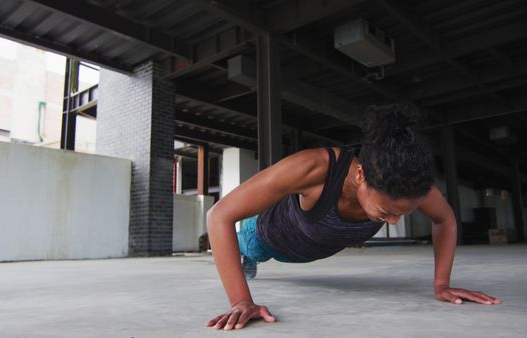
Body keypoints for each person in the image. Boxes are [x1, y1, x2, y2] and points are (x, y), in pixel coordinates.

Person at [205, 104, 501, 331]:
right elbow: (219, 215)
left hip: (313, 249)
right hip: (268, 238)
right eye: (386, 211)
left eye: (402, 214)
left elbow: (445, 219)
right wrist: (241, 301)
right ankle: (247, 257)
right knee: (248, 246)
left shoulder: (414, 185)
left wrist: (441, 284)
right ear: (361, 175)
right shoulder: (315, 167)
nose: (393, 222)